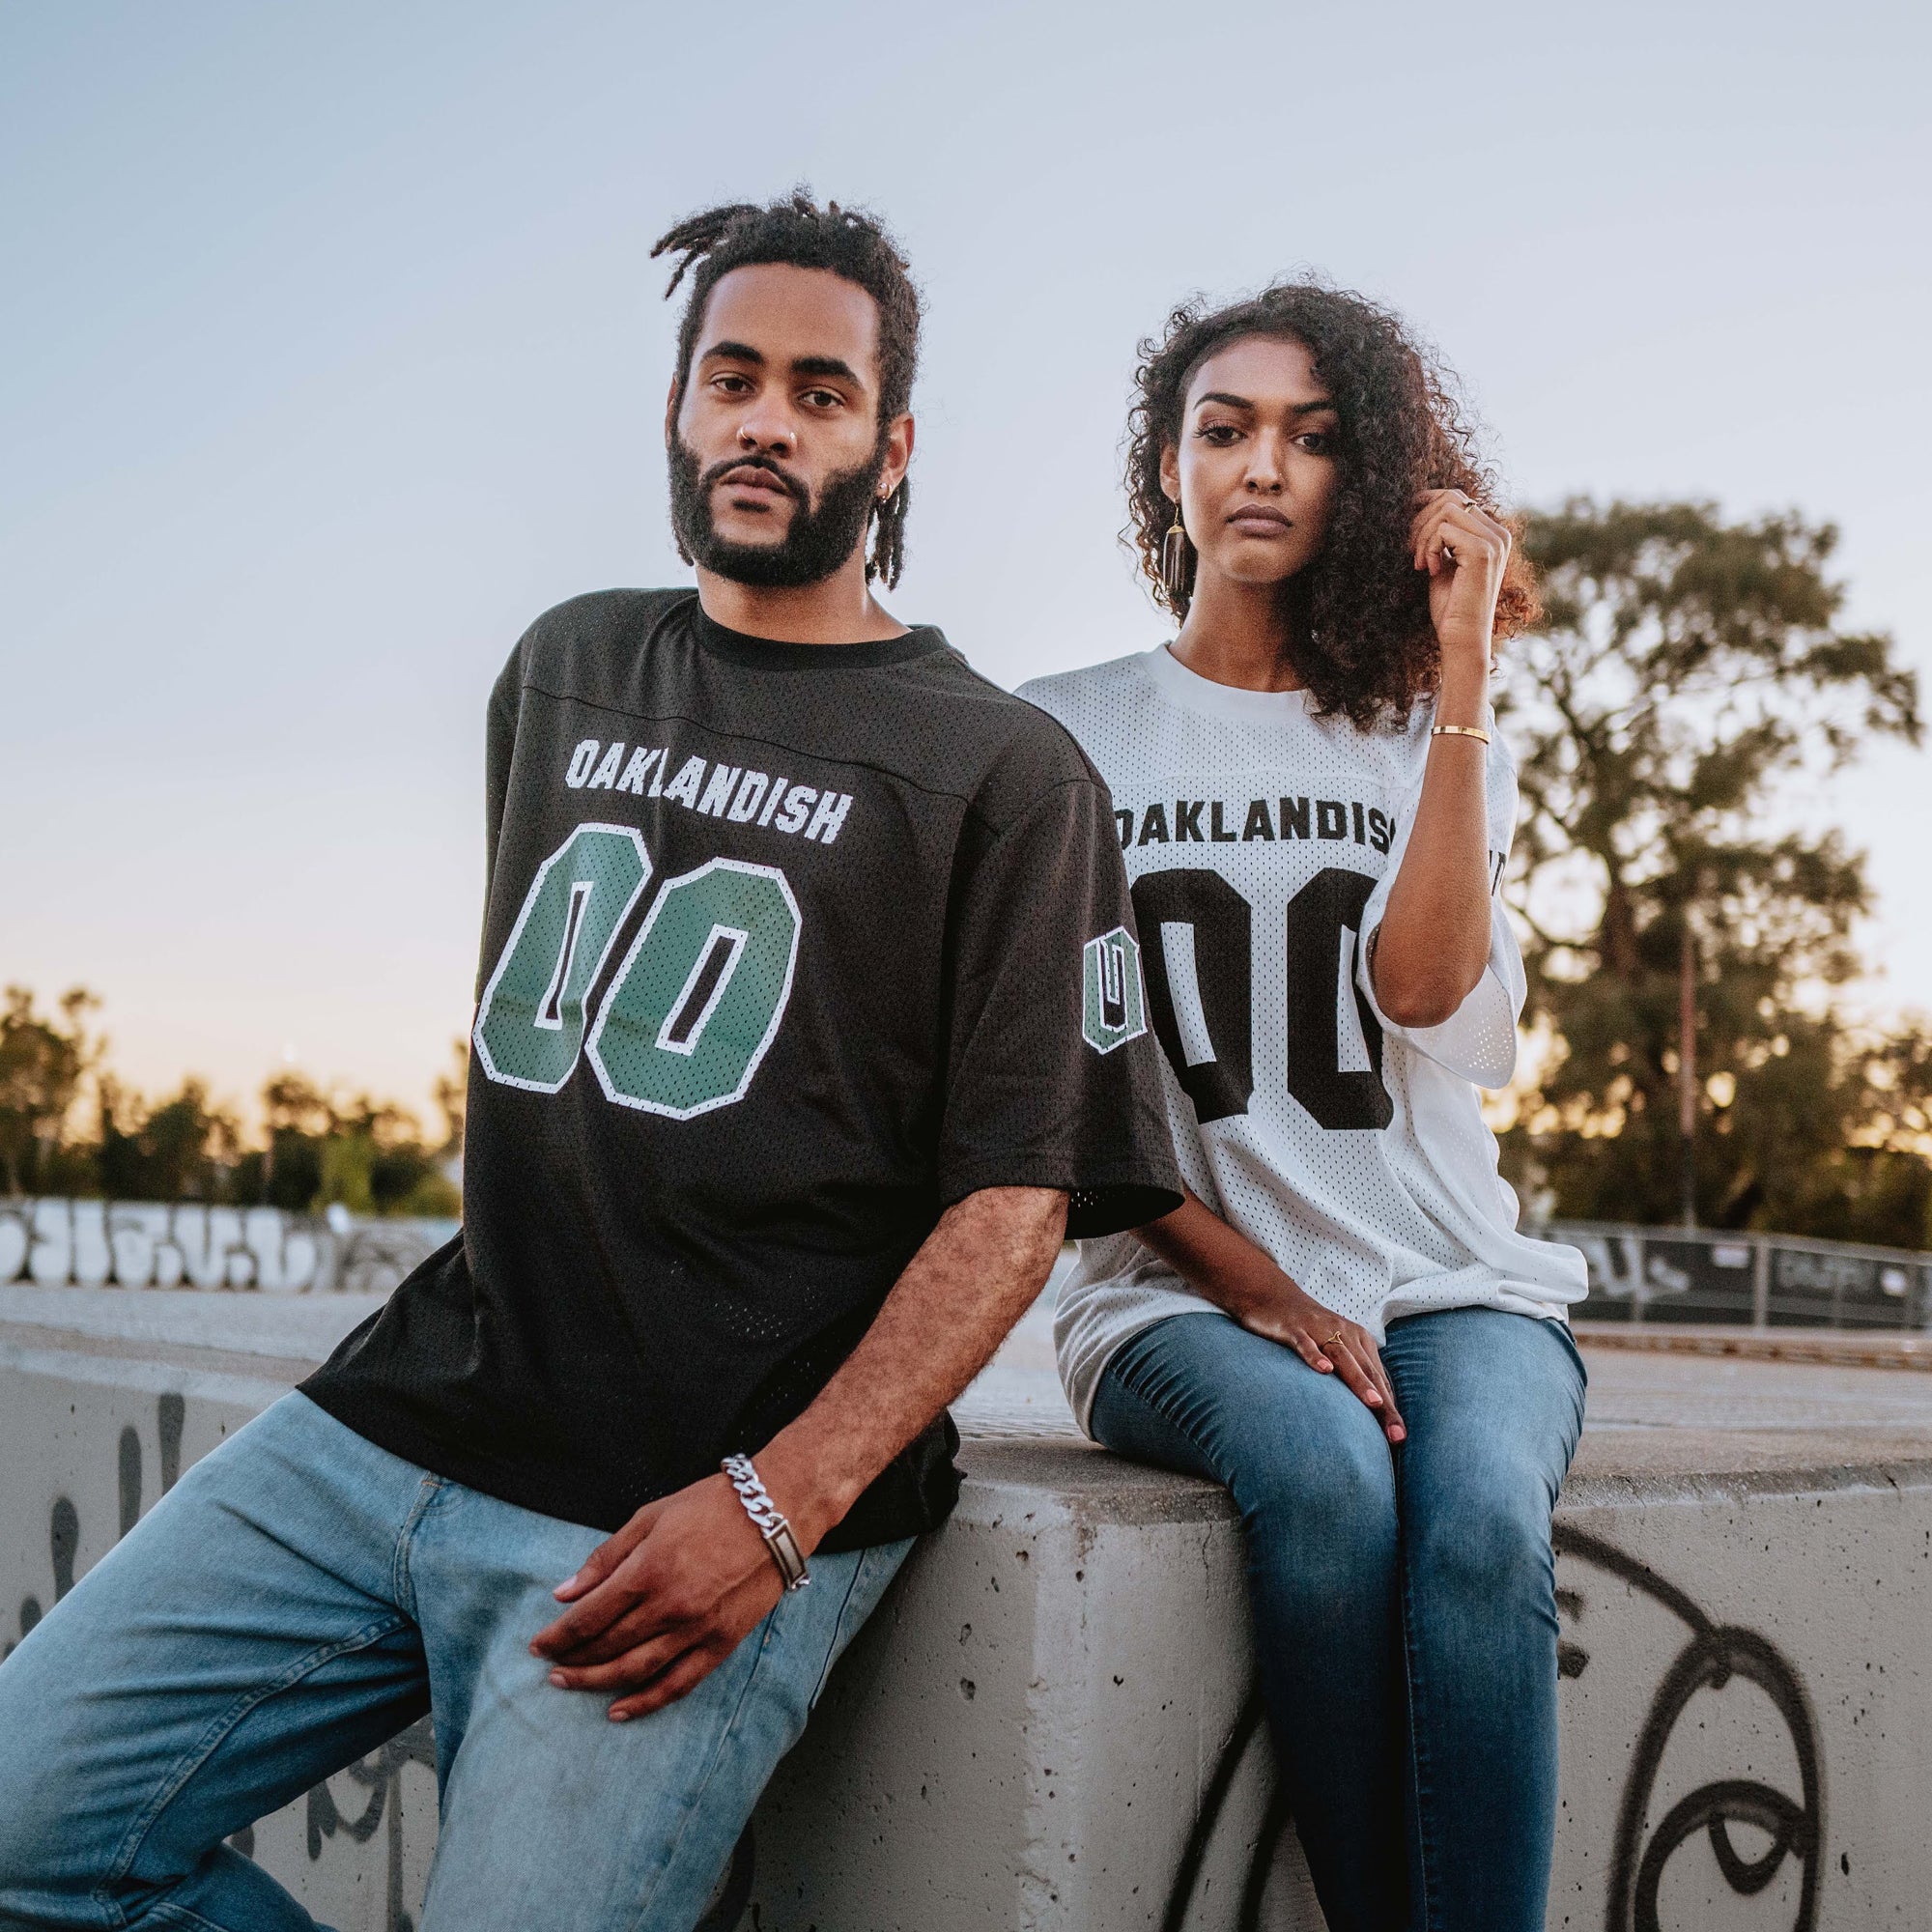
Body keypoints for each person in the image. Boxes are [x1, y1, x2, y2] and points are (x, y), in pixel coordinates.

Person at [0, 195, 1179, 1932]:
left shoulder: (1001, 767)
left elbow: (1017, 1204)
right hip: (402, 1418)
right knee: (26, 1837)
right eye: (732, 378)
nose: (766, 421)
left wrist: (775, 1511)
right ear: (681, 408)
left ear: (895, 441)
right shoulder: (562, 663)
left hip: (684, 1514)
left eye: (821, 392)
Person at [1018, 282, 1589, 1932]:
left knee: (1480, 1529)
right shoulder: (1060, 736)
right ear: (1169, 469)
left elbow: (1419, 998)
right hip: (1173, 1292)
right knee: (1328, 1482)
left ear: (1369, 483)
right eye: (1225, 427)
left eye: (1314, 437)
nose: (1264, 465)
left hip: (1447, 1281)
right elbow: (1053, 1088)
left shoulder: (1418, 728)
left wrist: (1465, 669)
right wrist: (1256, 1283)